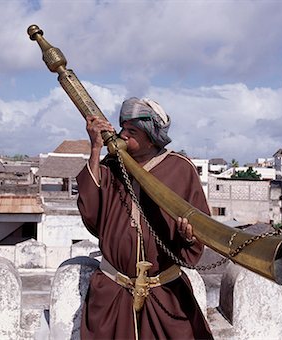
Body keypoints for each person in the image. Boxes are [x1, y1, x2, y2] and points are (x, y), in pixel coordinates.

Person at [76, 97, 213, 339]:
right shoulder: (112, 165)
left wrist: (188, 236)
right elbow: (91, 214)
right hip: (113, 289)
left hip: (165, 293)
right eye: (123, 129)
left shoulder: (180, 169)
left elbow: (200, 228)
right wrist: (95, 148)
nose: (123, 135)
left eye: (132, 131)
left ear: (151, 137)